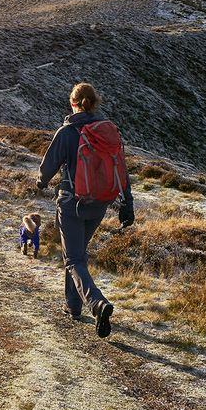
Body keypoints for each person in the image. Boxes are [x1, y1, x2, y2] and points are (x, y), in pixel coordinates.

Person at [36, 82, 134, 338]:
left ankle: (98, 304)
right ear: (95, 103)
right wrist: (128, 203)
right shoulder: (108, 131)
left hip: (71, 204)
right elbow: (120, 169)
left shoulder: (67, 132)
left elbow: (48, 166)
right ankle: (73, 306)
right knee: (77, 255)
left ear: (73, 103)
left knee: (74, 259)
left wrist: (41, 181)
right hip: (99, 205)